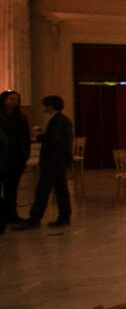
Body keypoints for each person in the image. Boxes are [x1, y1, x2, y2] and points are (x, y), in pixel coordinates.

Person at [18, 95, 73, 228]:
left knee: (43, 190)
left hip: (52, 161)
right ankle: (64, 216)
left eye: (45, 105)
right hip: (59, 161)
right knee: (60, 190)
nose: (44, 108)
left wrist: (40, 136)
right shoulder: (63, 120)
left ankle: (35, 217)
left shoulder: (57, 121)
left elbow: (52, 140)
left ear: (50, 106)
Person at [0, 90, 30, 224]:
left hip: (16, 158)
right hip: (2, 158)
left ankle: (11, 215)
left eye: (16, 99)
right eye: (11, 99)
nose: (14, 102)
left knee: (12, 190)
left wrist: (25, 154)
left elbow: (25, 137)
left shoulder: (21, 118)